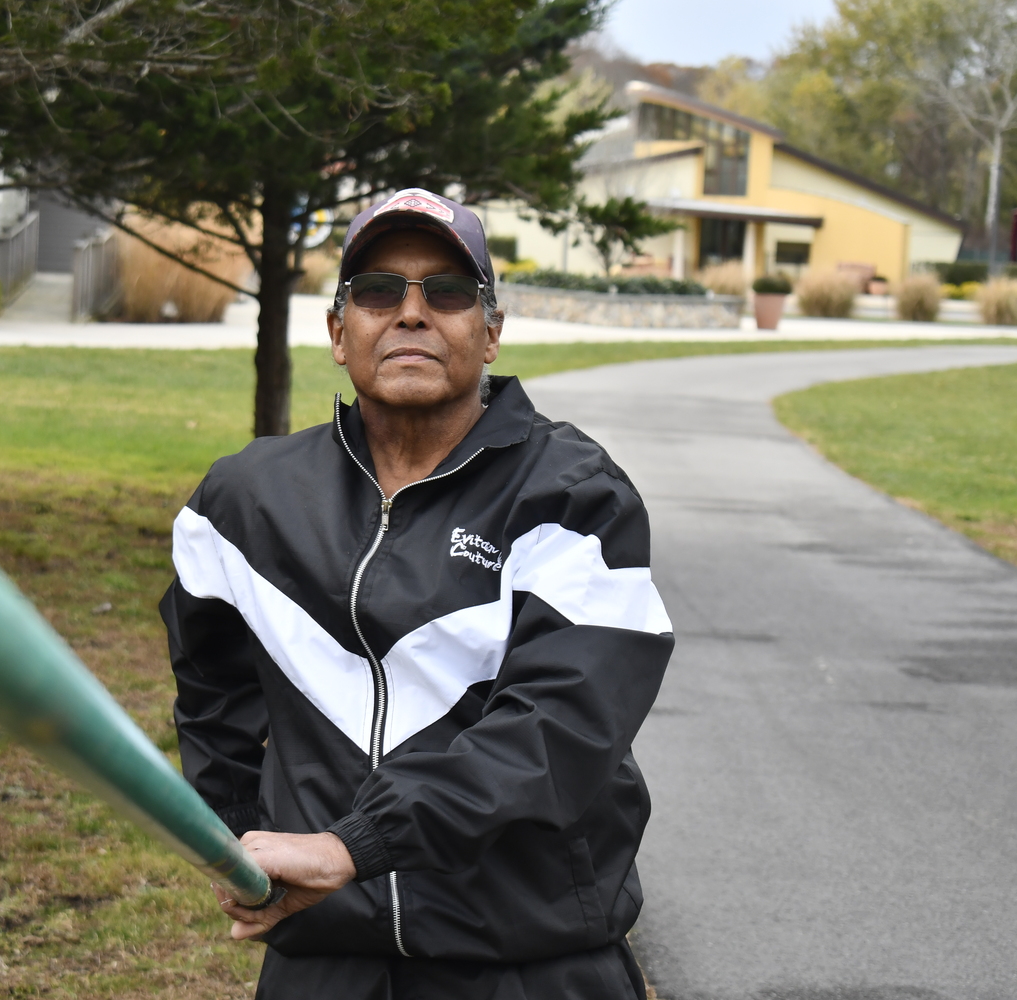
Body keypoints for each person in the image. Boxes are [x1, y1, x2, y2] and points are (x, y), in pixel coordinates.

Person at [160, 188, 674, 999]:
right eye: (376, 291)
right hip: (324, 963)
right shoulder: (245, 503)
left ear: (491, 331)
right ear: (339, 332)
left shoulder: (574, 497)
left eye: (447, 292)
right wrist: (237, 841)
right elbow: (210, 693)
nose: (410, 313)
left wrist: (353, 846)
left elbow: (557, 728)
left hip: (529, 966)